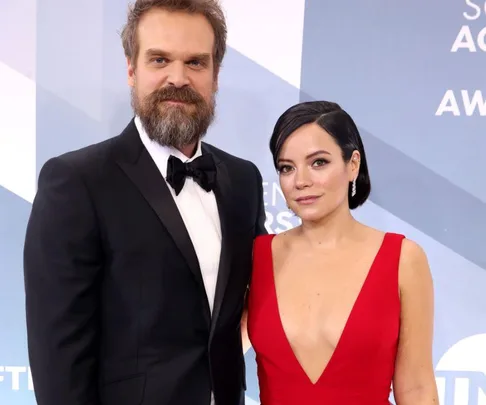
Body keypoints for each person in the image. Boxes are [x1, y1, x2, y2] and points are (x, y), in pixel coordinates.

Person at [23, 1, 266, 405]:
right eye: (159, 59)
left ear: (216, 75)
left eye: (195, 63)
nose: (178, 77)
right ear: (131, 69)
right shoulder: (77, 181)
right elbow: (58, 357)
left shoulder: (243, 180)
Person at [244, 101, 439, 404]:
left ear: (353, 164)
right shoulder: (255, 256)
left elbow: (416, 388)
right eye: (287, 167)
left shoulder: (403, 259)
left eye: (318, 162)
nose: (301, 181)